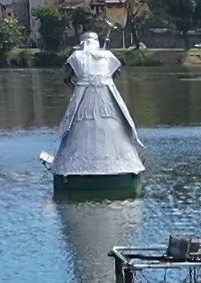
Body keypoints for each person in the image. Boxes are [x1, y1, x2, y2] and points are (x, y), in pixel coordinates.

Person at [47, 32, 145, 187]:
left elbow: (66, 78)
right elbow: (117, 73)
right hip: (106, 92)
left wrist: (76, 88)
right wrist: (104, 80)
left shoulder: (76, 56)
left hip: (84, 93)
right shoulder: (108, 56)